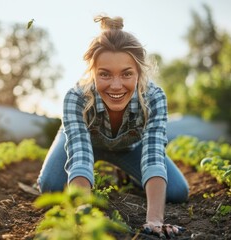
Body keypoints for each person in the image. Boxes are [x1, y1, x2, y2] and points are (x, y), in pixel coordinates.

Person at [36, 14, 189, 238]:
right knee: (51, 187)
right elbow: (79, 155)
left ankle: (127, 174)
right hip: (85, 142)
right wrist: (83, 213)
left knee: (177, 191)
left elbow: (154, 154)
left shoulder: (154, 97)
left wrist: (154, 220)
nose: (116, 86)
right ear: (92, 72)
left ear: (139, 73)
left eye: (126, 74)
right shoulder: (76, 98)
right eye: (105, 74)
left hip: (130, 148)